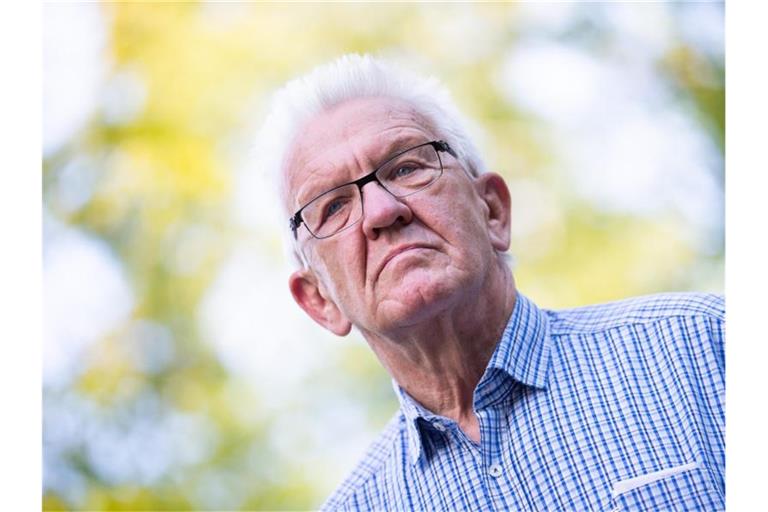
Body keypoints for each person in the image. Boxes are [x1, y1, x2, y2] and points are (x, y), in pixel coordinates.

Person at [257, 54, 725, 511]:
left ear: (493, 211)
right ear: (319, 300)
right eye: (334, 206)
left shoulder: (709, 348)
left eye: (406, 168)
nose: (382, 211)